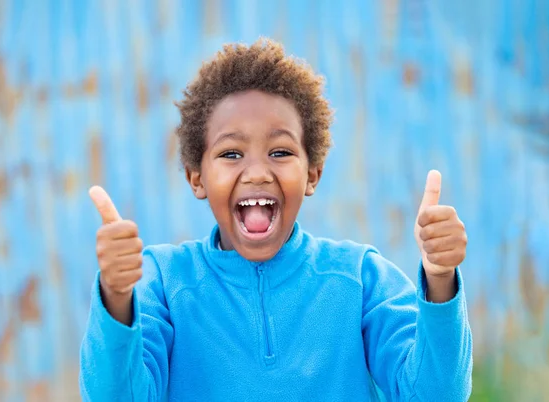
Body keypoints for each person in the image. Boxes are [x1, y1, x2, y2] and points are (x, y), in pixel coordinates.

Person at [79, 38, 472, 401]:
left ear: (312, 174)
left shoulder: (359, 278)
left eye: (280, 152)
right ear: (196, 178)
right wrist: (116, 296)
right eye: (231, 154)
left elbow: (436, 395)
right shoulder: (164, 281)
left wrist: (439, 279)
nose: (257, 172)